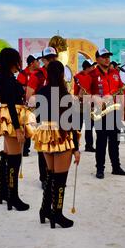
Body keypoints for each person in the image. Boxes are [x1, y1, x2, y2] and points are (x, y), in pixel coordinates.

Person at [31, 61, 81, 228]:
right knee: (60, 178)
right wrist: (76, 148)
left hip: (45, 134)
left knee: (51, 175)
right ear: (61, 75)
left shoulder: (41, 91)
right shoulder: (63, 93)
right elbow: (71, 122)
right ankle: (57, 214)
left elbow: (37, 117)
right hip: (61, 134)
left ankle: (44, 210)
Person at [0, 48, 34, 210]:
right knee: (14, 159)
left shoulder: (2, 77)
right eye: (18, 60)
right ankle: (12, 196)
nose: (20, 64)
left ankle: (3, 192)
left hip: (7, 115)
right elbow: (10, 103)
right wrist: (17, 128)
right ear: (12, 62)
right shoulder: (8, 79)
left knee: (7, 155)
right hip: (11, 117)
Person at [91, 48, 125, 179]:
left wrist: (124, 108)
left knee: (115, 141)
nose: (107, 59)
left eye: (108, 56)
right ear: (97, 59)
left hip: (114, 110)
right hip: (100, 111)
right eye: (103, 56)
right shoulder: (92, 74)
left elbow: (120, 90)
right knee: (101, 142)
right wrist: (96, 98)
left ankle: (116, 167)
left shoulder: (115, 73)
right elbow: (86, 93)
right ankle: (100, 169)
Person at [26, 47, 58, 188]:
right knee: (43, 146)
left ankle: (55, 174)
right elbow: (29, 96)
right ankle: (44, 178)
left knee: (57, 145)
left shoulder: (58, 73)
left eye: (54, 58)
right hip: (42, 113)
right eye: (48, 58)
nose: (51, 61)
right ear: (43, 60)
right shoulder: (37, 75)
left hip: (58, 113)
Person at [74, 59, 96, 152]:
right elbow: (75, 92)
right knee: (77, 126)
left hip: (89, 103)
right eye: (92, 67)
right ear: (87, 67)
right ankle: (75, 146)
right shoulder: (77, 77)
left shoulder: (91, 77)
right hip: (79, 103)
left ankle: (89, 146)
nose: (94, 68)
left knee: (89, 126)